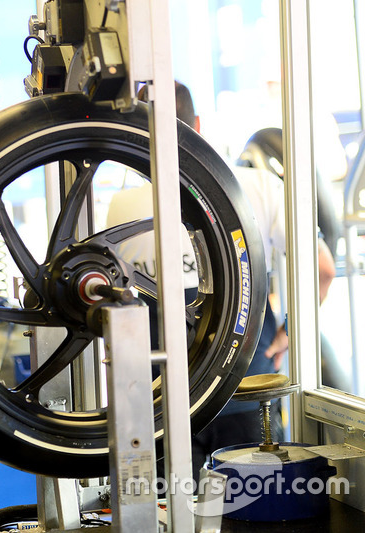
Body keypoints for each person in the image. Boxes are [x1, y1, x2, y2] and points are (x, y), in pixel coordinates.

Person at [105, 80, 335, 483]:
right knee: (255, 510)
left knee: (172, 515)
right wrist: (287, 335)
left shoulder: (122, 207)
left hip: (162, 400)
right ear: (196, 123)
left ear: (137, 130)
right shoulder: (259, 186)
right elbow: (322, 269)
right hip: (243, 389)